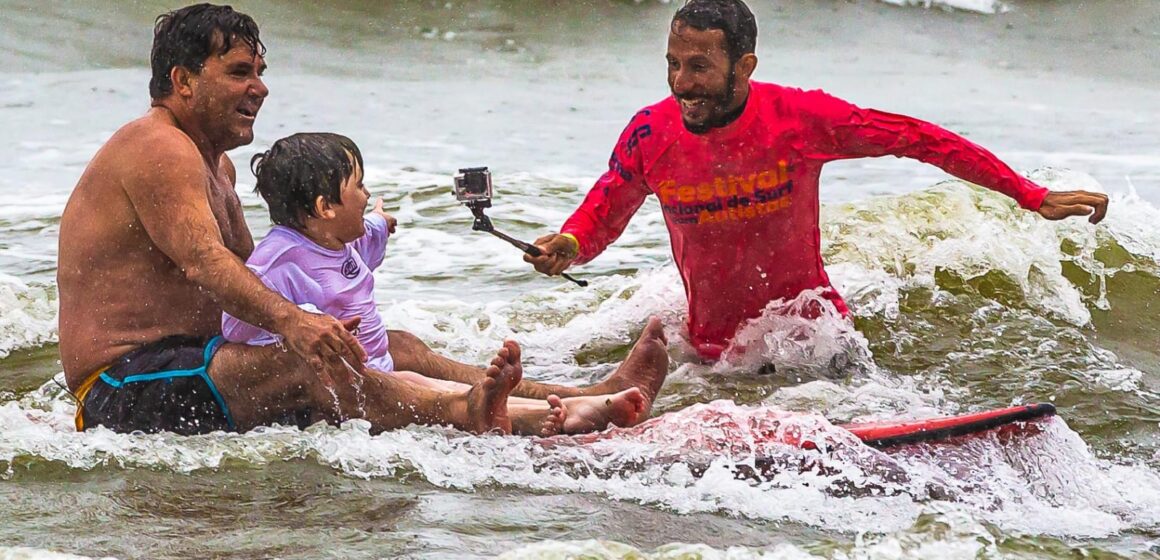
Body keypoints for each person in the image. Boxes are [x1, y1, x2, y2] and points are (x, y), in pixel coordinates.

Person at [56, 3, 667, 436]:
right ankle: (498, 414)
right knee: (319, 356)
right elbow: (206, 263)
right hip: (122, 388)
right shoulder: (157, 146)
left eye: (261, 72)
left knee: (388, 345)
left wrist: (328, 292)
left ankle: (576, 394)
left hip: (199, 363)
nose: (261, 89)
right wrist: (297, 326)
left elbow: (257, 267)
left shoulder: (216, 166)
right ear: (182, 81)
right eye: (240, 72)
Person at [524, 0, 1109, 361]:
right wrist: (568, 245)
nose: (682, 82)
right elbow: (604, 209)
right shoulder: (651, 134)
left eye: (699, 66)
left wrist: (1029, 195)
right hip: (711, 352)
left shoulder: (800, 120)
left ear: (743, 67)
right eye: (674, 64)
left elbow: (918, 138)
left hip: (811, 339)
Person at [221, 132, 655, 435]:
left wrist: (384, 222)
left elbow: (373, 230)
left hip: (380, 367)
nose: (368, 194)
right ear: (324, 206)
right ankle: (566, 412)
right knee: (439, 391)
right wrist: (302, 324)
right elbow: (238, 324)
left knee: (420, 362)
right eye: (359, 186)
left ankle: (575, 403)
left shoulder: (342, 235)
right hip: (346, 388)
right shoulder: (279, 260)